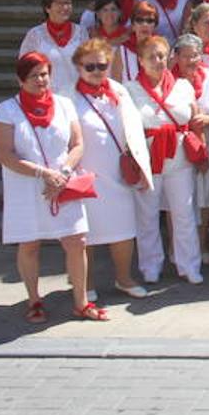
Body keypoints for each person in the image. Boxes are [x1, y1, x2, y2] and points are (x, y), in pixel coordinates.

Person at [0, 52, 104, 322]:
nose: (42, 80)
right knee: (30, 244)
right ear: (20, 80)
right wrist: (44, 173)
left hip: (63, 183)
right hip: (27, 187)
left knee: (77, 240)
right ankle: (34, 300)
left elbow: (77, 144)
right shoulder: (6, 110)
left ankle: (81, 302)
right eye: (34, 76)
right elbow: (5, 155)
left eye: (45, 74)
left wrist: (63, 173)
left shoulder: (65, 104)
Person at [71, 38, 151, 300]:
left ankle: (124, 278)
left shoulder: (120, 90)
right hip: (86, 174)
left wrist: (139, 162)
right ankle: (87, 282)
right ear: (78, 66)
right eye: (89, 66)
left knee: (124, 229)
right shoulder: (68, 96)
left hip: (118, 171)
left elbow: (134, 128)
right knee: (85, 233)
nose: (96, 71)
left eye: (102, 65)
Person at [127, 34, 203, 285]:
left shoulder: (183, 86)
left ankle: (189, 264)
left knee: (183, 212)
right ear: (140, 60)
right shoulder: (129, 90)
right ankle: (150, 265)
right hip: (147, 157)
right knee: (146, 214)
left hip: (179, 158)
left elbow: (194, 120)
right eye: (151, 56)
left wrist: (199, 149)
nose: (158, 61)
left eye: (161, 55)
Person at [172, 33, 209, 265]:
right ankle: (177, 249)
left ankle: (201, 247)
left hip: (206, 146)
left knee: (204, 199)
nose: (191, 61)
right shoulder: (167, 81)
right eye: (186, 56)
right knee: (178, 202)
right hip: (176, 149)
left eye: (195, 55)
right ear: (176, 57)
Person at [20, 0, 89, 96]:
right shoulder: (35, 35)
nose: (65, 7)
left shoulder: (81, 33)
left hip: (76, 99)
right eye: (59, 3)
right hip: (46, 99)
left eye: (68, 3)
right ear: (47, 7)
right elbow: (24, 70)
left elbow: (89, 66)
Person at [111, 1, 159, 84]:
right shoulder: (122, 51)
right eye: (139, 20)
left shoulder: (161, 49)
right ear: (133, 25)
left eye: (149, 21)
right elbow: (116, 84)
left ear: (155, 25)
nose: (144, 24)